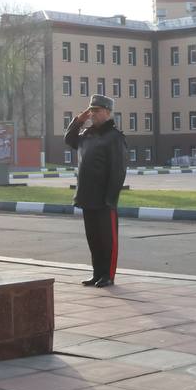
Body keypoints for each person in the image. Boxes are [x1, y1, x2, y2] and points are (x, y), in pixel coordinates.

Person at [66, 93, 128, 286]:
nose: (92, 114)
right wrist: (79, 120)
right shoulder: (87, 135)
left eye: (96, 110)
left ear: (108, 112)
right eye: (91, 110)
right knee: (93, 239)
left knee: (107, 240)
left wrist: (110, 199)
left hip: (104, 199)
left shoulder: (114, 137)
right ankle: (97, 273)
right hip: (87, 197)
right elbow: (69, 139)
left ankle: (107, 275)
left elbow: (118, 170)